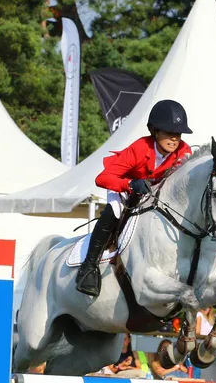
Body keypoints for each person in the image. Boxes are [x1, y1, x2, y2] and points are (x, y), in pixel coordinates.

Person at [75, 99, 193, 297]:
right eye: (168, 132)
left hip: (153, 193)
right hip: (124, 186)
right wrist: (130, 185)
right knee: (115, 209)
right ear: (155, 131)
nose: (174, 139)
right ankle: (89, 266)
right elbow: (102, 178)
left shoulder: (184, 151)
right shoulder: (139, 149)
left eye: (178, 134)